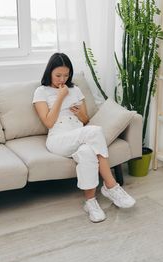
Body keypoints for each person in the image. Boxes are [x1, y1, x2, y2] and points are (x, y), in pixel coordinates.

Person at [33, 53, 136, 223]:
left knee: (88, 152)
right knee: (95, 131)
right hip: (58, 138)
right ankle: (111, 186)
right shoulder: (41, 91)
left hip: (79, 134)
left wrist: (80, 113)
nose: (62, 79)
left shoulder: (76, 89)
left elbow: (86, 120)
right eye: (58, 75)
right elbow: (49, 122)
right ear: (49, 72)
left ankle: (90, 202)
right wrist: (60, 97)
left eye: (66, 75)